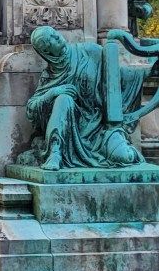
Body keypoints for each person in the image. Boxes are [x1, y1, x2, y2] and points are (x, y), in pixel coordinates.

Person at [24, 26, 148, 170]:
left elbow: (118, 75)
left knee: (123, 157)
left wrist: (147, 72)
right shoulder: (49, 76)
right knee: (64, 99)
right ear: (46, 51)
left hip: (100, 129)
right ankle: (55, 152)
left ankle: (121, 147)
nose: (56, 36)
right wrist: (53, 93)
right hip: (71, 130)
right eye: (50, 38)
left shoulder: (90, 51)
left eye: (54, 33)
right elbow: (31, 110)